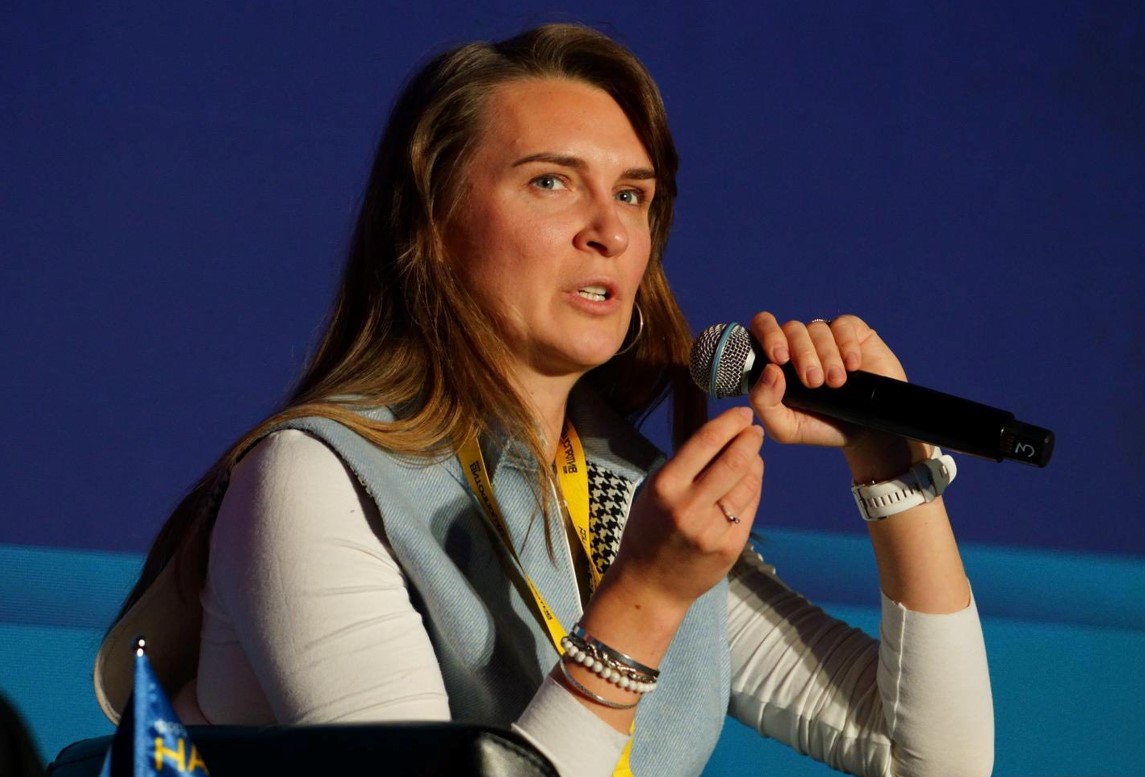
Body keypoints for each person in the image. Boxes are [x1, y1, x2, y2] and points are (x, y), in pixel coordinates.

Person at [95, 23, 993, 777]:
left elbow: (934, 758)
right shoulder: (315, 478)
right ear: (432, 226)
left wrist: (888, 465)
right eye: (550, 181)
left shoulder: (619, 495)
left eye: (632, 195)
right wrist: (641, 604)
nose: (609, 231)